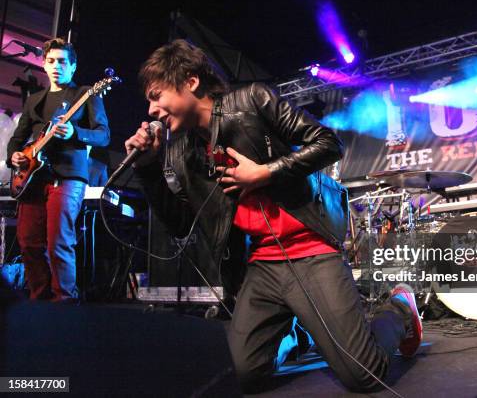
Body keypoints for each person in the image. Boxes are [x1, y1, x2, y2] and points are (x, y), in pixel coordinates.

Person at [125, 39, 422, 392]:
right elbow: (181, 223)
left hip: (311, 250)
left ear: (190, 82)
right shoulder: (183, 153)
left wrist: (265, 173)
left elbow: (328, 143)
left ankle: (401, 308)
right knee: (242, 374)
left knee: (364, 374)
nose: (152, 110)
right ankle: (299, 332)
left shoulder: (252, 100)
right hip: (262, 265)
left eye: (156, 96)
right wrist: (147, 169)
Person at [6, 38, 110, 302]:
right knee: (28, 242)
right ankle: (38, 304)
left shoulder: (86, 94)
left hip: (67, 177)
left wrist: (76, 132)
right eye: (51, 61)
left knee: (58, 243)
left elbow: (103, 135)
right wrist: (14, 157)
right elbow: (17, 140)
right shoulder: (34, 101)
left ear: (73, 67)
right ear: (43, 63)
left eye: (62, 62)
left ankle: (64, 304)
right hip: (32, 179)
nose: (56, 66)